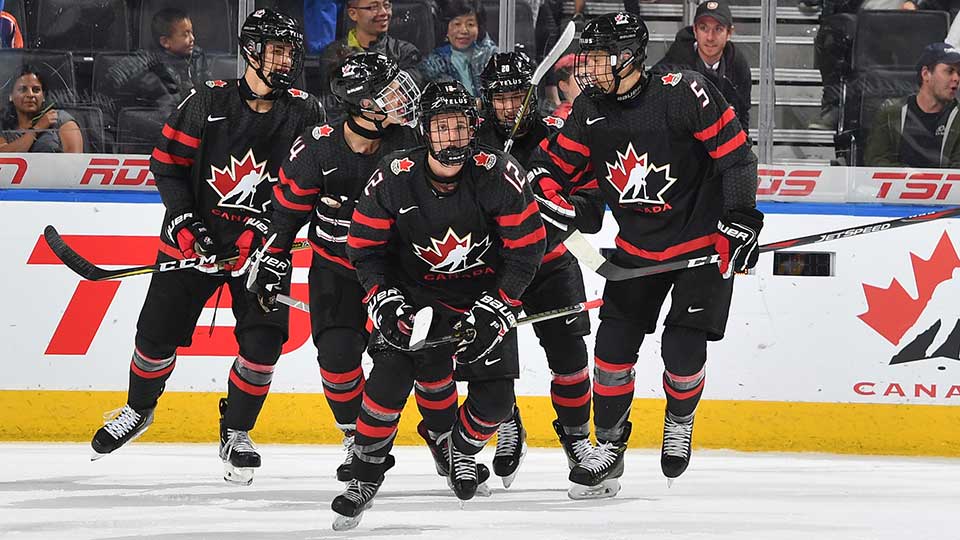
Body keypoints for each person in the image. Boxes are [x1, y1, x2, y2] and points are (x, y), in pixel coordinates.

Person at [528, 12, 761, 499]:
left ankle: (679, 418)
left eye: (597, 58)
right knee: (611, 355)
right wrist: (548, 195)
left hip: (700, 245)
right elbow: (552, 167)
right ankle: (609, 449)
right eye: (586, 58)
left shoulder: (683, 91)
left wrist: (740, 218)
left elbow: (737, 156)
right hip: (636, 250)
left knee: (681, 351)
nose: (587, 69)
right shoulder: (590, 107)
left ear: (630, 57)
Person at [88, 9, 323, 487]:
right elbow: (167, 165)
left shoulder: (305, 111)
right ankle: (139, 409)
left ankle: (236, 431)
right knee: (155, 338)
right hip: (194, 243)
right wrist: (184, 222)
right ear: (252, 52)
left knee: (263, 345)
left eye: (290, 50)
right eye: (277, 49)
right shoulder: (207, 101)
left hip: (263, 252)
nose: (287, 58)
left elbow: (307, 186)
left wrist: (265, 236)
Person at [335, 80, 545, 528]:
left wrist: (501, 304)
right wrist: (383, 298)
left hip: (482, 295)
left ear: (473, 128)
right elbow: (365, 248)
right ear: (424, 132)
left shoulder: (498, 173)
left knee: (494, 402)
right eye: (442, 127)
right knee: (388, 380)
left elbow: (527, 249)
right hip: (417, 297)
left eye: (460, 126)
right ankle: (365, 473)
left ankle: (461, 450)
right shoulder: (393, 175)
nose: (452, 137)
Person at [249, 52, 421, 482]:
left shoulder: (409, 145)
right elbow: (286, 215)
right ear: (362, 104)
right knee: (337, 358)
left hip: (394, 271)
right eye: (388, 92)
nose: (401, 98)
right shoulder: (317, 146)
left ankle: (441, 439)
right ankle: (357, 438)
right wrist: (271, 257)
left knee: (401, 364)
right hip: (336, 269)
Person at [477, 51, 605, 488]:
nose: (510, 107)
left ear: (532, 98)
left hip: (552, 265)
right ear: (487, 101)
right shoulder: (469, 144)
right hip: (496, 272)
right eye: (501, 99)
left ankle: (576, 440)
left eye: (518, 97)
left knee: (570, 360)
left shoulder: (560, 136)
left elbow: (592, 214)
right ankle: (507, 423)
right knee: (492, 362)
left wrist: (561, 207)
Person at [653, 0, 752, 131]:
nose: (710, 37)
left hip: (720, 146)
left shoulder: (738, 66)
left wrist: (741, 149)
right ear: (695, 30)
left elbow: (743, 114)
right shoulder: (673, 66)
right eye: (703, 28)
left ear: (729, 33)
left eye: (718, 29)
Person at [318, 0, 423, 116]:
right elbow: (332, 102)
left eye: (386, 5)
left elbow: (409, 94)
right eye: (373, 7)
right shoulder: (334, 54)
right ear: (353, 13)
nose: (384, 12)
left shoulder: (405, 52)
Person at [865, 42, 960, 167]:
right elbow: (875, 160)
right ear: (926, 74)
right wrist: (908, 176)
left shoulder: (957, 117)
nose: (956, 78)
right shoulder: (891, 113)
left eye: (959, 73)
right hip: (898, 186)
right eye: (950, 71)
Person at [105, 8, 211, 110]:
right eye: (185, 34)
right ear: (165, 42)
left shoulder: (198, 56)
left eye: (191, 32)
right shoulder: (143, 63)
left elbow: (208, 93)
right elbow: (110, 87)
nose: (192, 38)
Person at [419, 0, 497, 96]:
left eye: (470, 24)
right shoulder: (433, 64)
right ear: (445, 28)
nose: (464, 30)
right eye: (457, 24)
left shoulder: (490, 56)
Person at [0, 67, 83, 153]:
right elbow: (3, 157)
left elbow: (75, 162)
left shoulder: (59, 119)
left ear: (43, 96)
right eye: (23, 90)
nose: (30, 94)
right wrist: (36, 129)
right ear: (11, 96)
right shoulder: (4, 127)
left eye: (36, 90)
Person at [551, 53, 580, 119]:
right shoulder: (562, 119)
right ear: (564, 86)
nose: (588, 82)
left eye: (590, 76)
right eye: (581, 77)